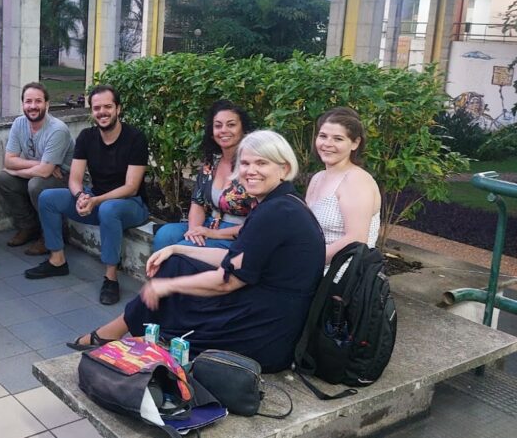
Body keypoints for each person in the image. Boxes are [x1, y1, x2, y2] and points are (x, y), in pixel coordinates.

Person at [68, 131, 325, 372]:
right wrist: (176, 248)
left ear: (285, 169)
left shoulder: (275, 212)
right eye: (245, 164)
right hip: (266, 307)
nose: (251, 171)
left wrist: (167, 287)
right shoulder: (280, 203)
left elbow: (227, 281)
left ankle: (123, 341)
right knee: (177, 262)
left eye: (262, 163)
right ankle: (126, 338)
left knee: (175, 289)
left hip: (266, 329)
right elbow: (234, 257)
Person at [25, 85, 150, 305]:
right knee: (48, 197)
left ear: (118, 109)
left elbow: (131, 186)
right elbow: (74, 178)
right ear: (92, 111)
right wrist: (81, 195)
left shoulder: (135, 138)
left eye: (108, 107)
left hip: (130, 204)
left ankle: (111, 277)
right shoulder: (86, 137)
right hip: (95, 199)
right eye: (97, 108)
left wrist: (97, 200)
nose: (102, 112)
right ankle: (57, 260)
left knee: (109, 209)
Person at [153, 100, 257, 251]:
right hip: (211, 224)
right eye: (218, 125)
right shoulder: (211, 163)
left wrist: (213, 233)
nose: (223, 130)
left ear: (243, 129)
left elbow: (260, 222)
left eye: (231, 124)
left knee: (183, 250)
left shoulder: (254, 166)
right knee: (165, 235)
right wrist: (194, 230)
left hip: (239, 233)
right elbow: (198, 203)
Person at [0, 82, 75, 255]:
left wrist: (19, 168)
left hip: (64, 178)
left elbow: (45, 172)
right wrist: (40, 165)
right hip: (40, 173)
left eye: (38, 101)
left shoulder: (57, 130)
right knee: (4, 180)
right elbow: (9, 161)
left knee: (36, 184)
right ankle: (29, 227)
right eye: (28, 101)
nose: (33, 106)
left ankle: (51, 236)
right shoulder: (19, 123)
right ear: (23, 104)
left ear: (47, 104)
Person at [305, 107, 381, 264]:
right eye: (323, 136)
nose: (327, 144)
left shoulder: (356, 181)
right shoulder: (317, 178)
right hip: (312, 265)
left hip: (339, 274)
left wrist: (307, 260)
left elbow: (356, 240)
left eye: (338, 139)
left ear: (355, 143)